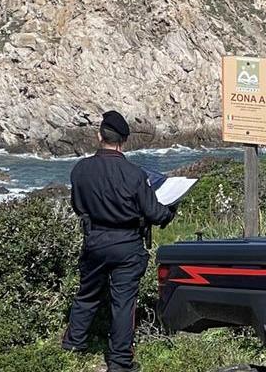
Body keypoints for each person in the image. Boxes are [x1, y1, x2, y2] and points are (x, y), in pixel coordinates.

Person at [62, 110, 177, 372]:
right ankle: (119, 362)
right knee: (124, 303)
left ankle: (73, 345)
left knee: (87, 294)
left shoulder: (80, 169)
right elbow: (155, 214)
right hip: (127, 244)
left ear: (99, 135)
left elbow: (77, 207)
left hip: (95, 240)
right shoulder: (135, 174)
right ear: (124, 141)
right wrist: (171, 211)